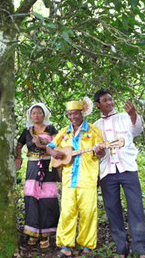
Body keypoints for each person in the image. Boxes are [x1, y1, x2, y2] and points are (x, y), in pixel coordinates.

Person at [46, 98, 105, 258]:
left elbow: (102, 152)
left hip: (87, 179)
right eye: (70, 114)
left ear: (81, 113)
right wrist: (53, 152)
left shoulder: (93, 130)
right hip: (68, 180)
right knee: (67, 212)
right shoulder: (64, 132)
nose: (72, 116)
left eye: (75, 113)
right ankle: (65, 246)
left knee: (88, 212)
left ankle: (87, 246)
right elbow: (49, 146)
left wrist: (99, 151)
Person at [93, 89, 145, 258]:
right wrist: (98, 152)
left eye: (111, 99)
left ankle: (140, 249)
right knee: (112, 210)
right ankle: (121, 249)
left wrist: (133, 115)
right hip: (107, 172)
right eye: (105, 100)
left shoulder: (125, 117)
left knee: (136, 208)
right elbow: (96, 153)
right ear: (98, 105)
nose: (109, 102)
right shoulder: (96, 126)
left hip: (128, 169)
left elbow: (137, 129)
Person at [15, 103, 60, 249]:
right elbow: (18, 145)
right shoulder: (27, 131)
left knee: (47, 199)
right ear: (30, 115)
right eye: (33, 113)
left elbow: (59, 143)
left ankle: (45, 234)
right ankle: (33, 232)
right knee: (32, 197)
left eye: (39, 112)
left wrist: (44, 143)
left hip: (48, 166)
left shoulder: (51, 129)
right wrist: (18, 157)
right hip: (32, 167)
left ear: (44, 114)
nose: (36, 115)